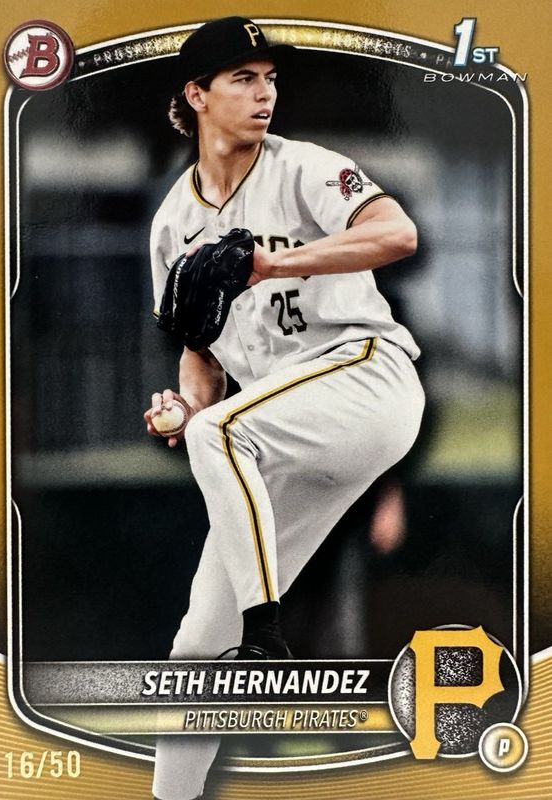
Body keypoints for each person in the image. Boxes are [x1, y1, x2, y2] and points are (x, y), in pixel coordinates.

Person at [144, 16, 425, 800]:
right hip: (282, 431)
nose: (264, 92)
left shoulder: (303, 167)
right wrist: (181, 410)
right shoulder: (171, 225)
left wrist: (271, 262)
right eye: (243, 78)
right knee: (198, 642)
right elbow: (199, 356)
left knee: (221, 433)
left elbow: (396, 232)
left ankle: (267, 637)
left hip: (364, 376)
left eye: (269, 78)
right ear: (196, 94)